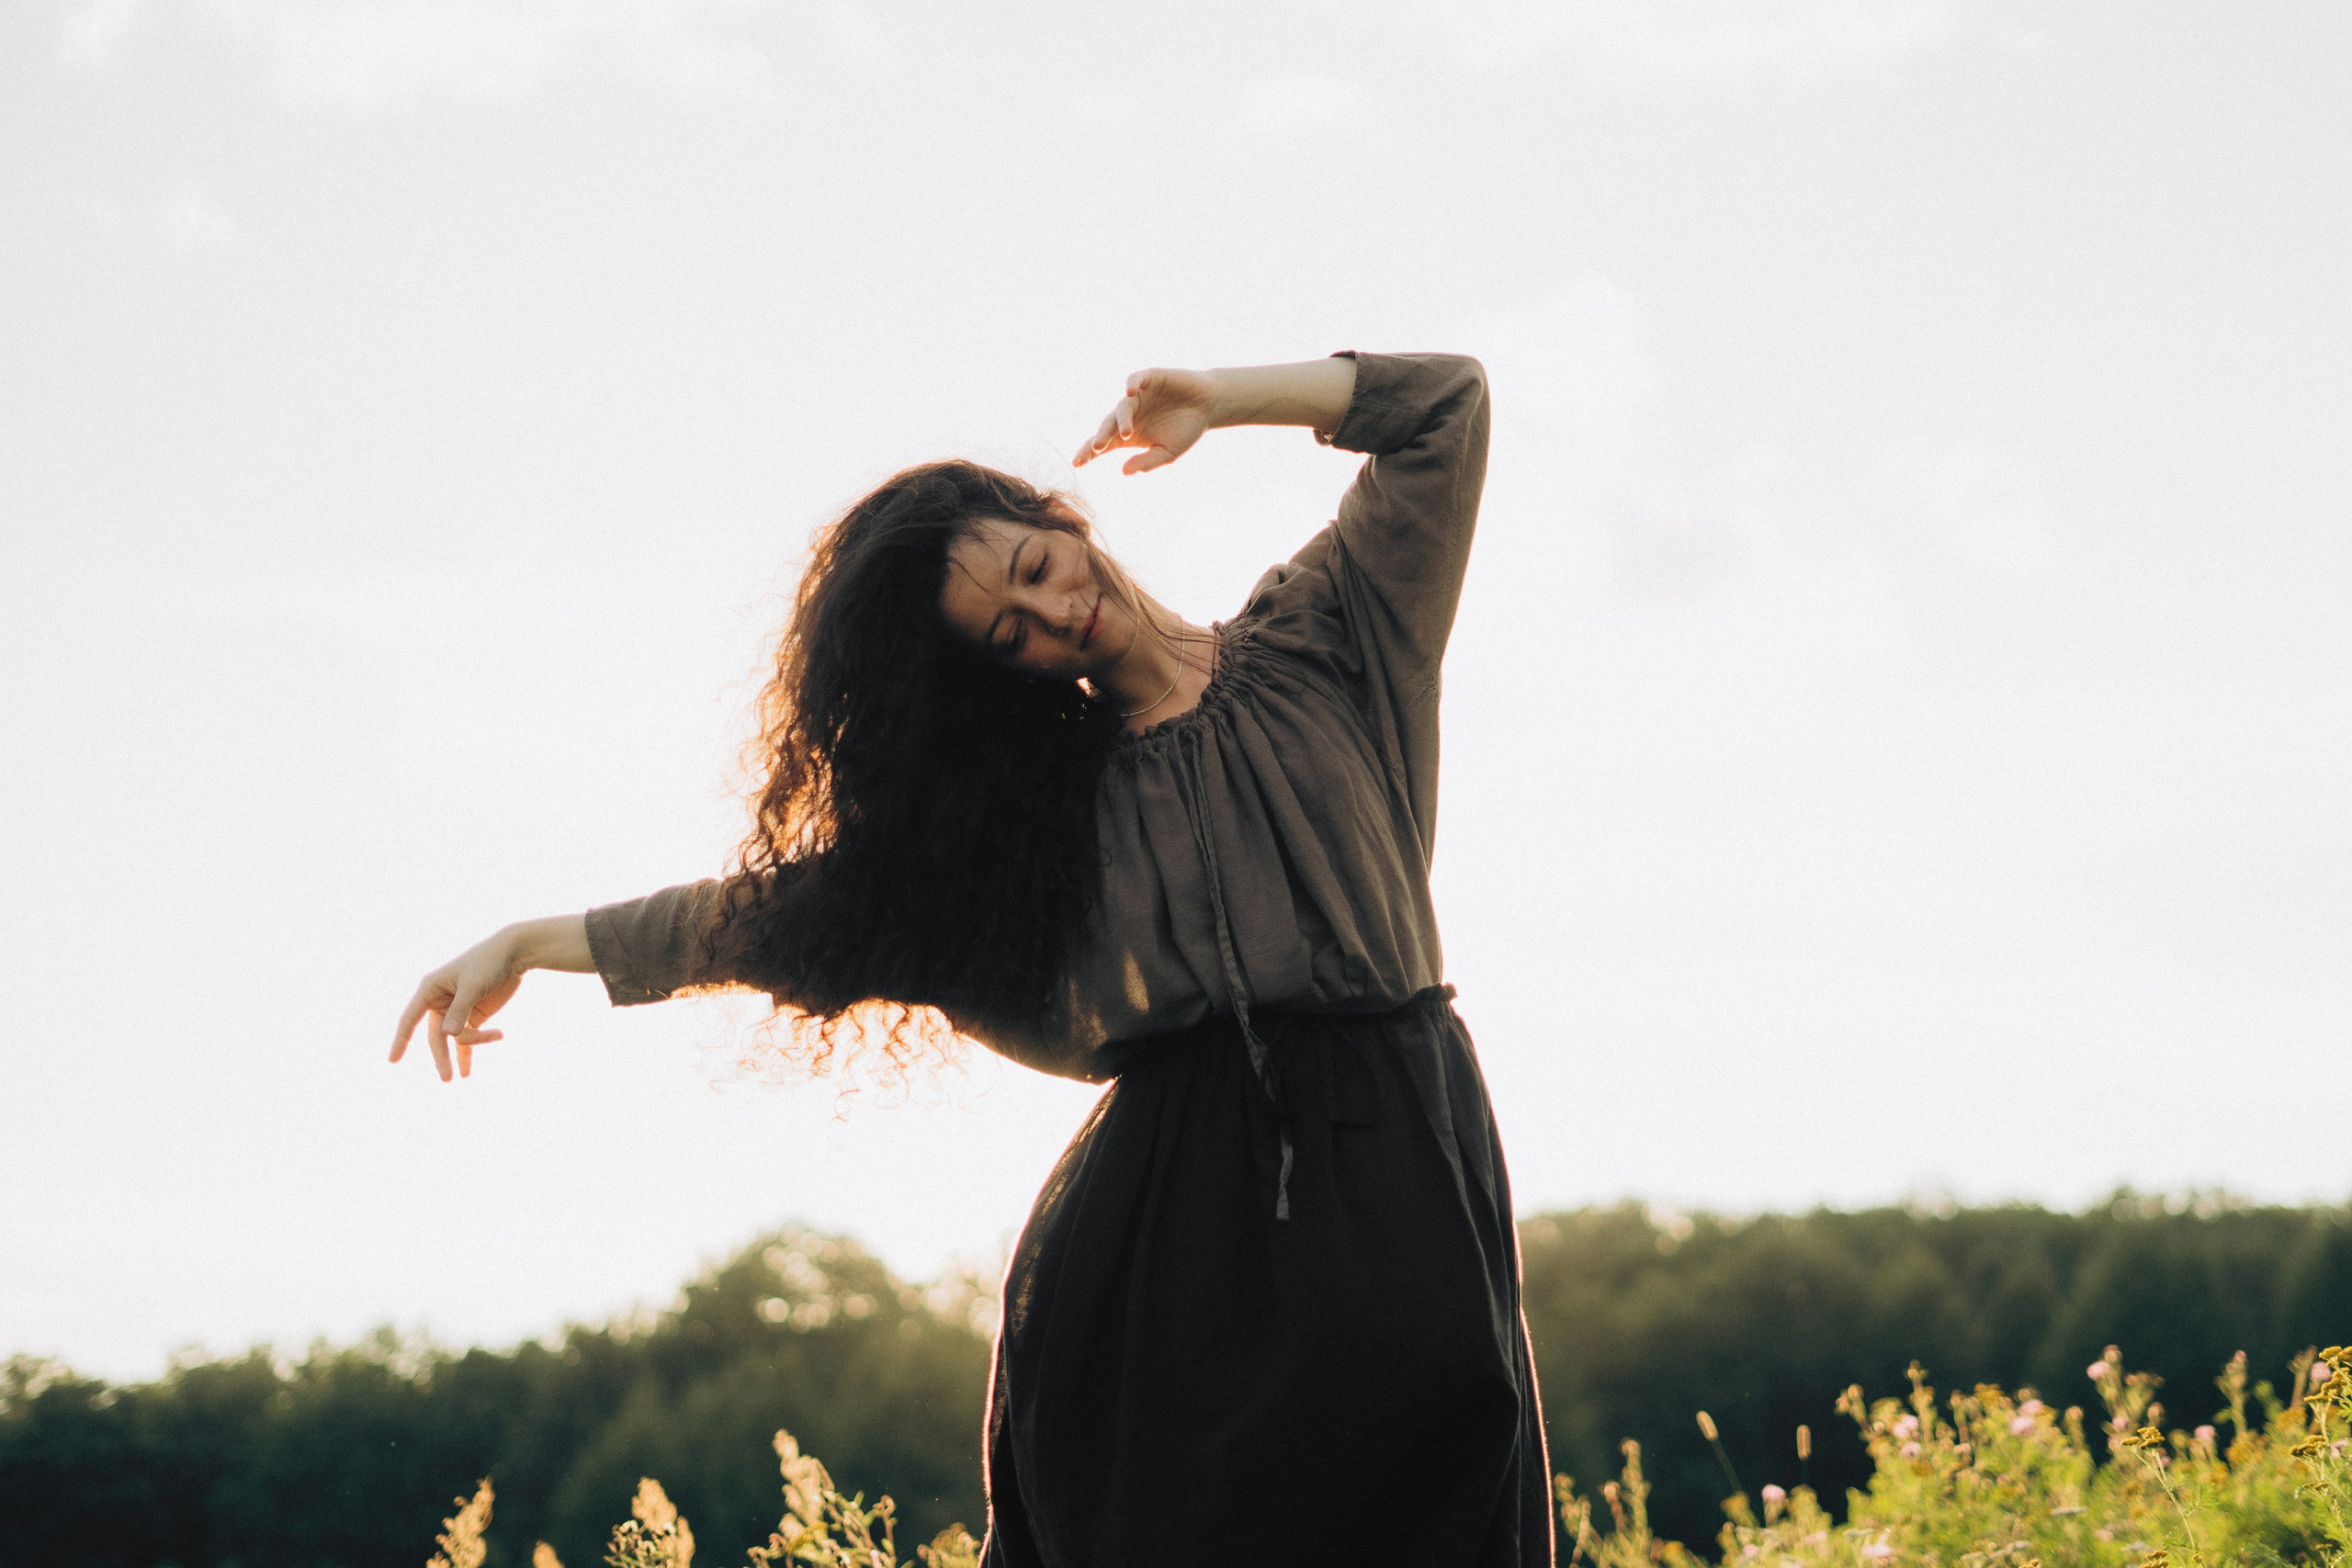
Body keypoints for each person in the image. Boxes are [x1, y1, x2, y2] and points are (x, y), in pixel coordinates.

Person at [391, 351, 1553, 1567]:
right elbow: (778, 915)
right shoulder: (1031, 833)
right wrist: (534, 943)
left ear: (1061, 518)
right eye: (1011, 634)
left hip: (1405, 1147)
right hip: (1178, 1233)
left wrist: (1221, 400)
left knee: (1445, 1476)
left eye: (1037, 570)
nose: (1055, 617)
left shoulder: (1330, 634)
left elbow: (1444, 408)